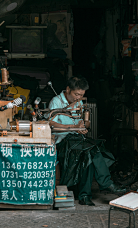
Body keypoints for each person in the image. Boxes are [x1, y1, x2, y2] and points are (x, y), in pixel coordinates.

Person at [48, 76, 126, 206]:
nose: (78, 97)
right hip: (62, 142)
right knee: (90, 150)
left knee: (88, 153)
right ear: (68, 89)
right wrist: (73, 127)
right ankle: (101, 186)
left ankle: (86, 195)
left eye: (81, 95)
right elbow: (51, 123)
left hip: (77, 141)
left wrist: (82, 126)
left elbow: (83, 122)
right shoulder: (56, 101)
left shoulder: (78, 103)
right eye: (76, 94)